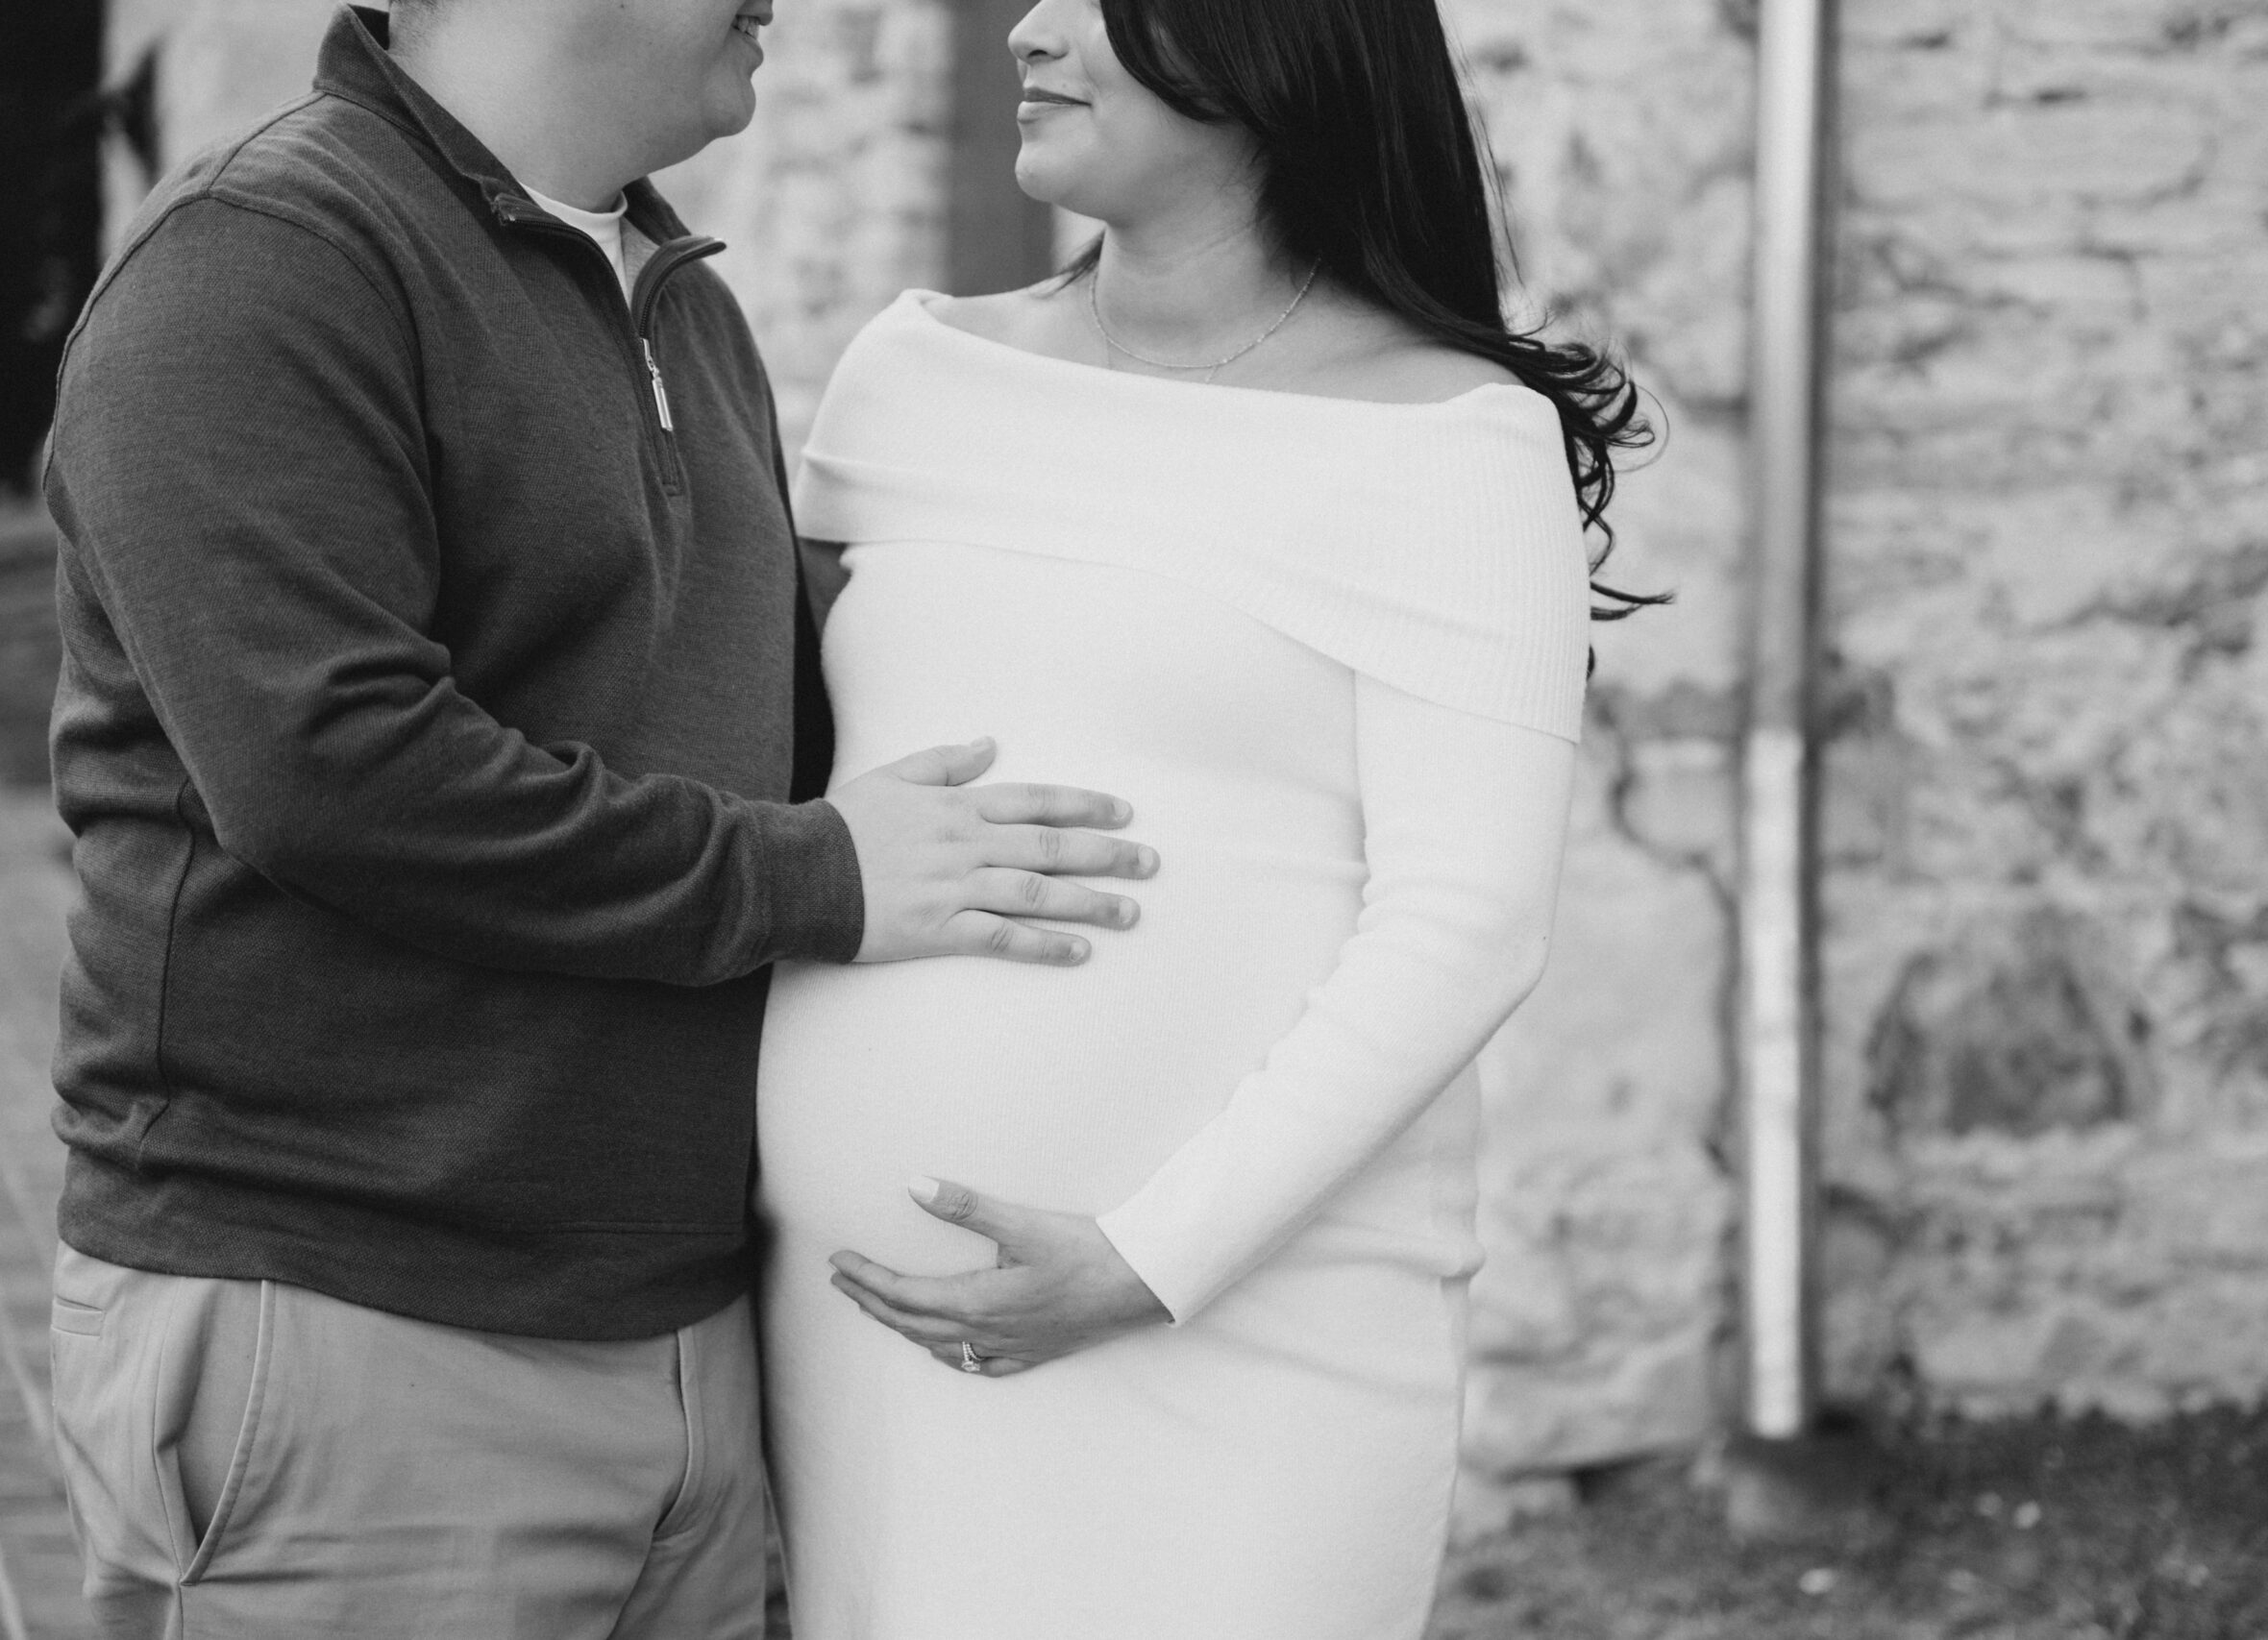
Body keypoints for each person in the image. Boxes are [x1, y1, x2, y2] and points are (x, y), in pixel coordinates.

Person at [41, 4, 1156, 1636]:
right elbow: (337, 774)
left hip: (687, 1346)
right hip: (361, 1330)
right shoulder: (264, 262)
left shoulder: (677, 298)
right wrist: (815, 880)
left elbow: (771, 737)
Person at [754, 0, 1660, 1633]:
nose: (1024, 29)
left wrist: (1146, 1259)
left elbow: (1465, 925)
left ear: (1267, 41)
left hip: (1249, 1338)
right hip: (857, 1343)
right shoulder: (911, 375)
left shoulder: (1453, 444)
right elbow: (789, 778)